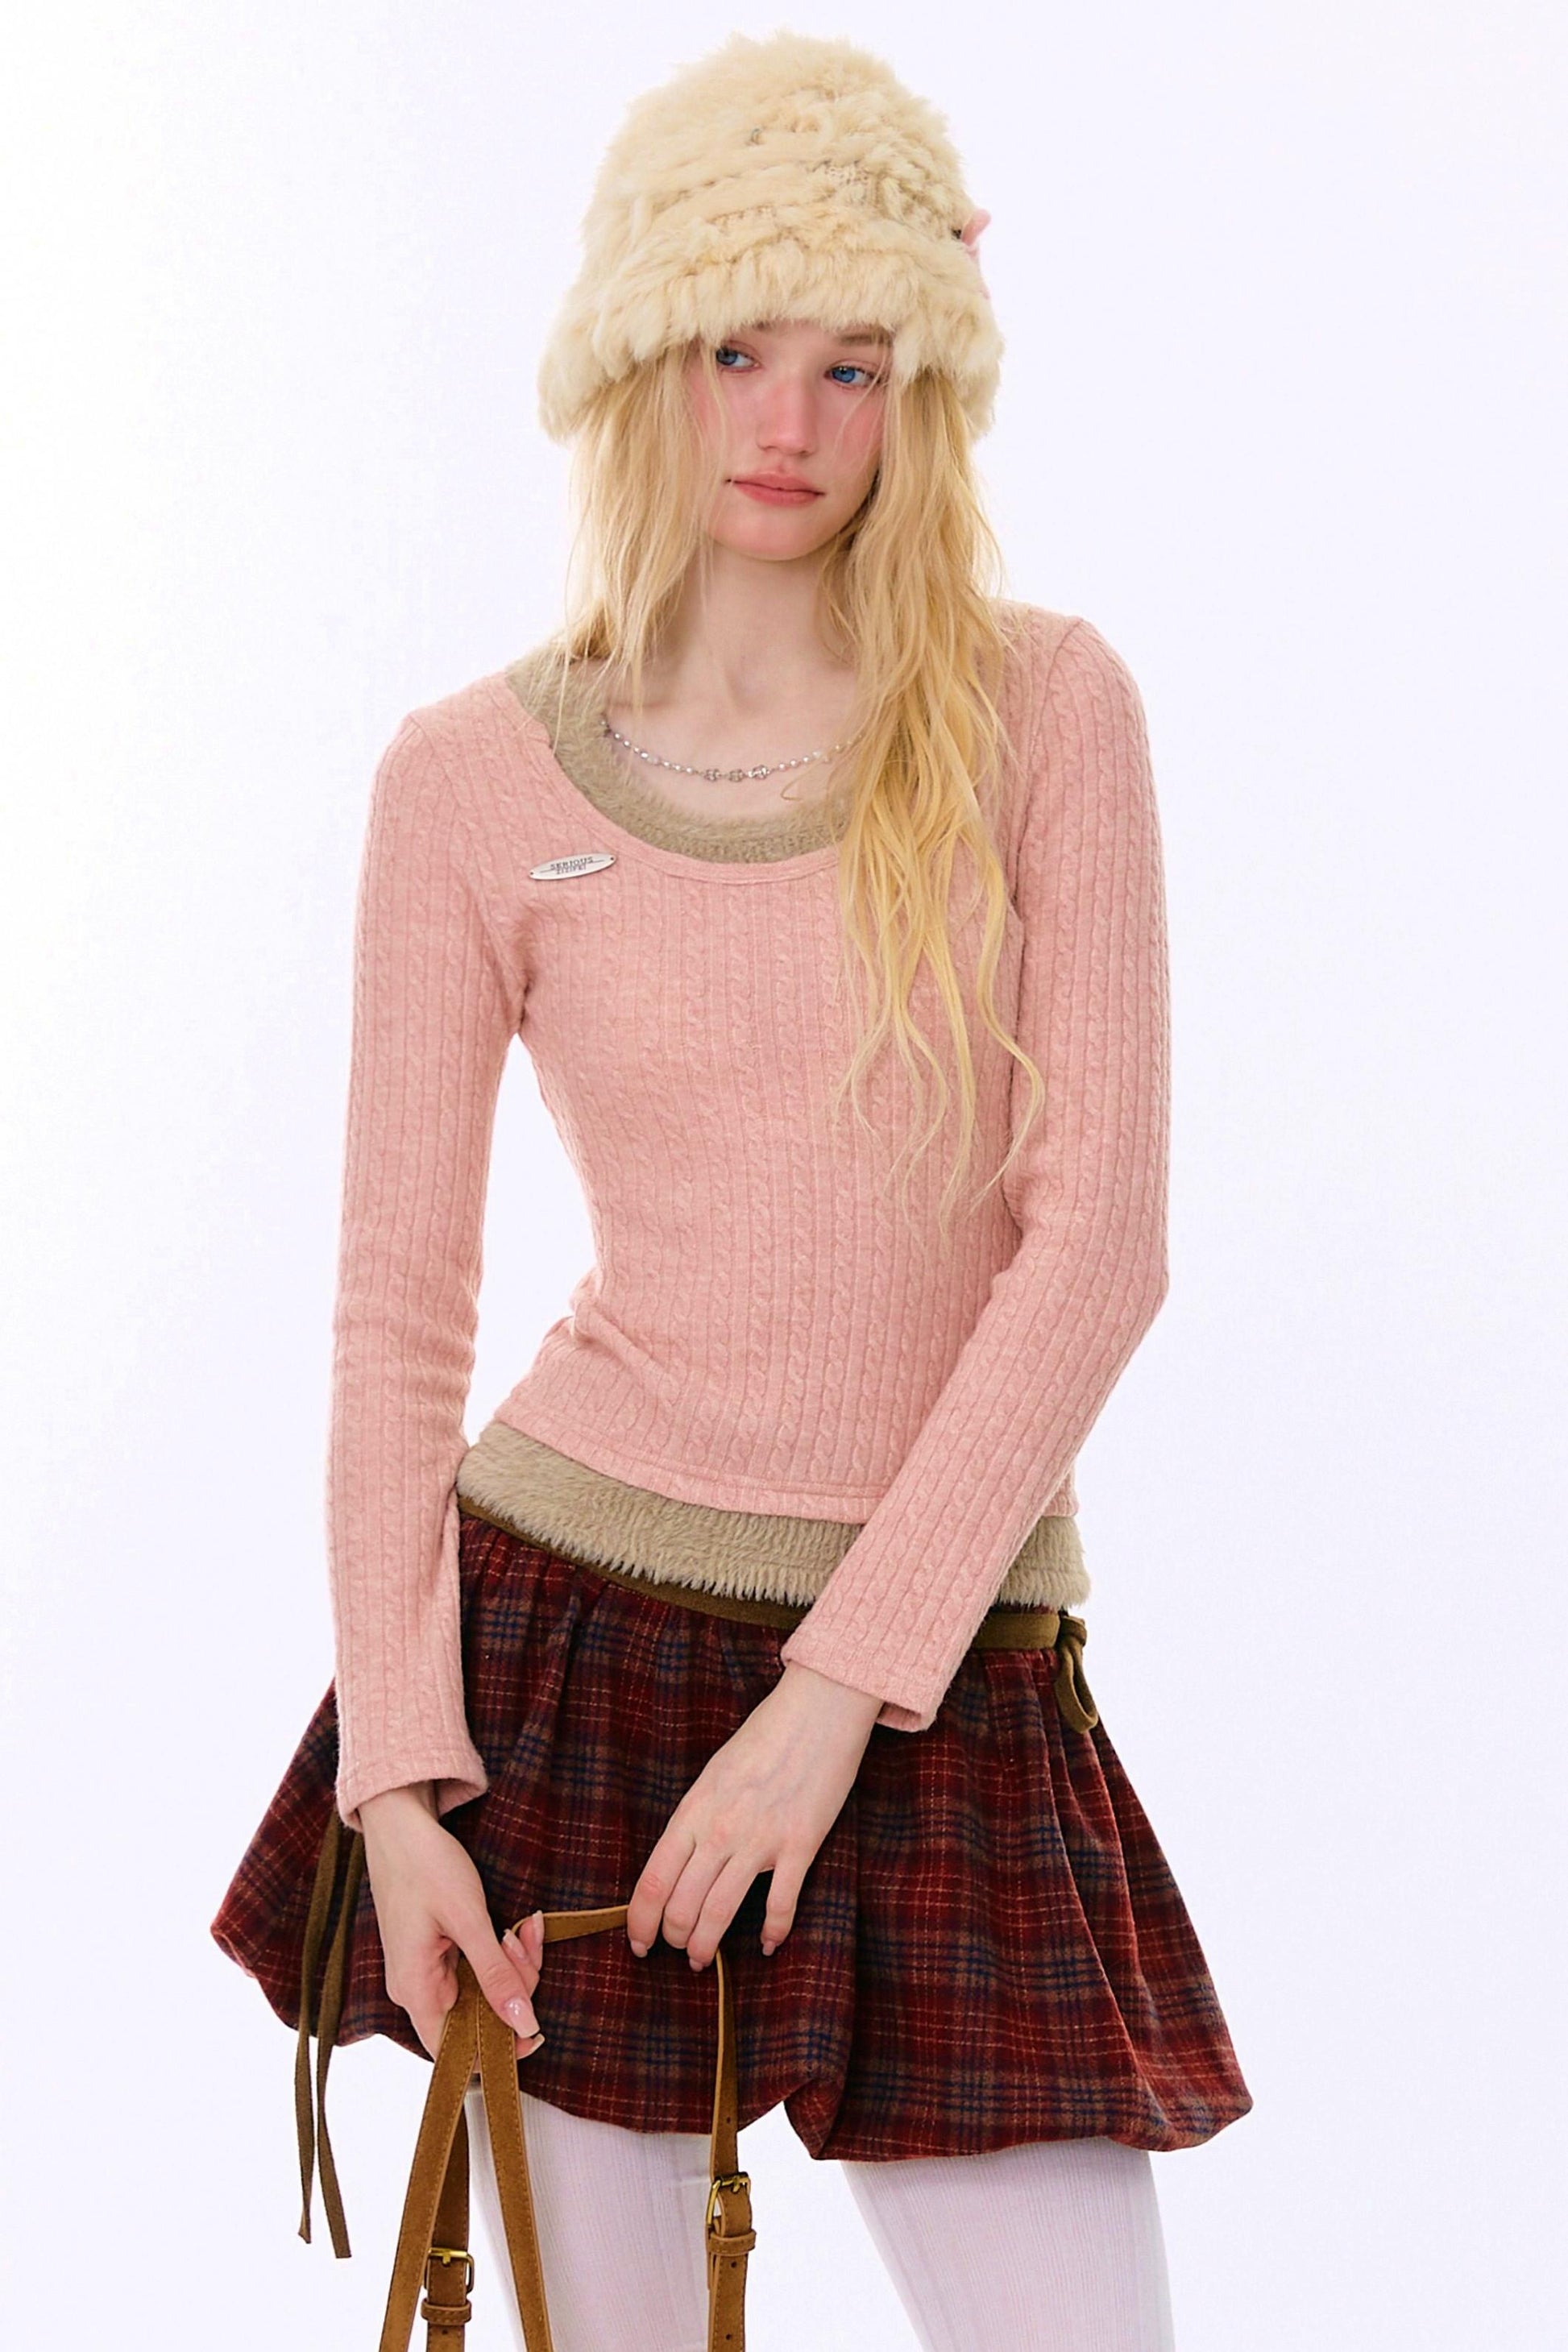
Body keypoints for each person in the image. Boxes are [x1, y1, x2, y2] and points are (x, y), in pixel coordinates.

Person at [214, 30, 1251, 2351]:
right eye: (731, 352)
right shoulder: (470, 782)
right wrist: (396, 1775)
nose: (786, 422)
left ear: (924, 385)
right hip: (564, 1661)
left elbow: (1099, 1242)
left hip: (935, 1664)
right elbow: (395, 1310)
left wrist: (831, 1697)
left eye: (851, 362)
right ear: (639, 358)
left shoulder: (1044, 712)